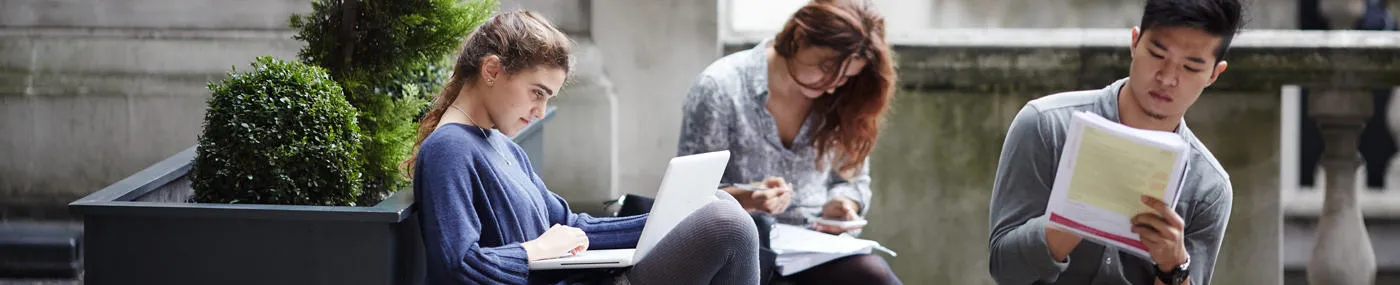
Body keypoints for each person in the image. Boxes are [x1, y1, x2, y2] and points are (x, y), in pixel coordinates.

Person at [403, 10, 760, 285]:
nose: (539, 112)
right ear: (492, 69)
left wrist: (668, 219)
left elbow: (571, 226)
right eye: (537, 93)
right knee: (726, 224)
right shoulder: (449, 148)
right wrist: (532, 252)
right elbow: (458, 267)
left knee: (719, 206)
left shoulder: (502, 146)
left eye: (548, 98)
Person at [986, 0, 1243, 284]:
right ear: (1135, 43)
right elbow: (1004, 269)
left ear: (1213, 74)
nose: (1168, 78)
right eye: (1157, 54)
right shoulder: (1046, 127)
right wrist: (1074, 218)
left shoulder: (1208, 187)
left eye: (1191, 68)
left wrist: (1174, 266)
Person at [676, 0, 900, 284]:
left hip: (816, 249)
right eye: (826, 67)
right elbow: (688, 200)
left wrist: (843, 204)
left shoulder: (844, 98)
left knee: (874, 275)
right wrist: (746, 198)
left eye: (846, 77)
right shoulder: (720, 88)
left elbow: (854, 180)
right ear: (798, 38)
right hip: (744, 250)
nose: (833, 84)